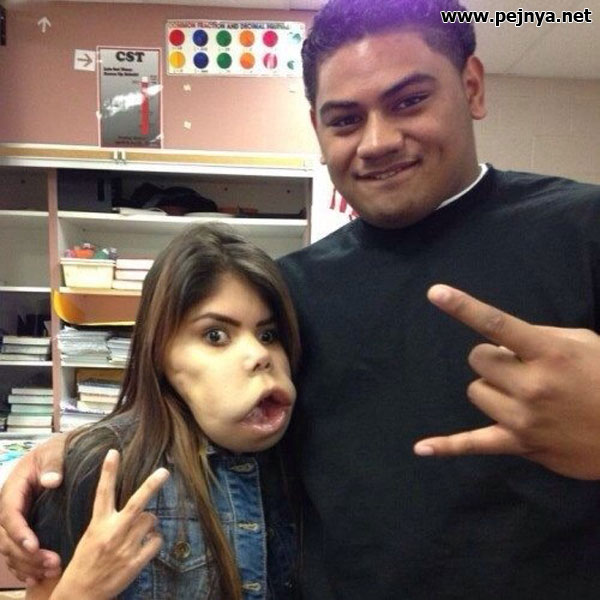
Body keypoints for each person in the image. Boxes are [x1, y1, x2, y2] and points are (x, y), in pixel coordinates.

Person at [3, 0, 600, 597]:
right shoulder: (289, 290)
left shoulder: (581, 230)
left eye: (409, 101)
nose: (377, 141)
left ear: (471, 87)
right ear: (317, 128)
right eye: (345, 119)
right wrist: (60, 461)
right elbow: (198, 422)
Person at [24, 222, 301, 599]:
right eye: (215, 335)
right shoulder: (100, 469)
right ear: (161, 353)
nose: (259, 355)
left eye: (268, 334)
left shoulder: (304, 460)